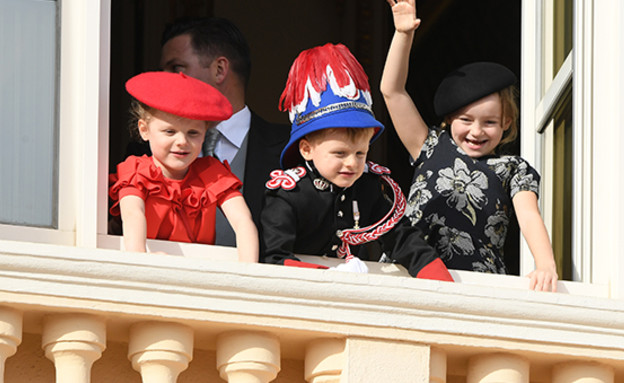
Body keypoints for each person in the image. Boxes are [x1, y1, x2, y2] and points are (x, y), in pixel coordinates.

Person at [380, 0, 558, 291]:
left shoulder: (513, 169)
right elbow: (392, 92)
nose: (476, 131)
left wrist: (546, 266)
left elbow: (529, 215)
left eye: (489, 122)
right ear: (449, 119)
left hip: (476, 287)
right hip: (407, 277)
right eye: (466, 119)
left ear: (507, 122)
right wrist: (403, 34)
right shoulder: (430, 146)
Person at [260, 43, 453, 281]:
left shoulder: (368, 187)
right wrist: (332, 276)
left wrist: (440, 282)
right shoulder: (288, 195)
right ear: (307, 149)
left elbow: (402, 239)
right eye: (340, 154)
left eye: (360, 154)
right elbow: (274, 260)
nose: (352, 163)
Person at [159, 17, 291, 248]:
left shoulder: (290, 151)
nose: (166, 81)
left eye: (177, 69)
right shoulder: (145, 149)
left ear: (220, 69)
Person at [110, 71, 258, 263]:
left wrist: (248, 272)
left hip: (199, 273)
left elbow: (243, 221)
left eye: (193, 133)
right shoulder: (136, 171)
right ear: (144, 130)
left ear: (205, 133)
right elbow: (132, 214)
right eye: (169, 131)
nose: (182, 141)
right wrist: (139, 259)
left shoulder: (212, 174)